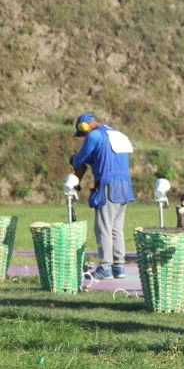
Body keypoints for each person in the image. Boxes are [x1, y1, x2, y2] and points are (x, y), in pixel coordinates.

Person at [71, 112, 135, 280]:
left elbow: (79, 160)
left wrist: (74, 159)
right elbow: (104, 158)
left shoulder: (94, 135)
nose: (84, 136)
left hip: (108, 186)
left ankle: (105, 267)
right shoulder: (117, 134)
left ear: (84, 126)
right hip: (125, 187)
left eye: (82, 132)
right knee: (116, 228)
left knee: (103, 228)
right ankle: (118, 267)